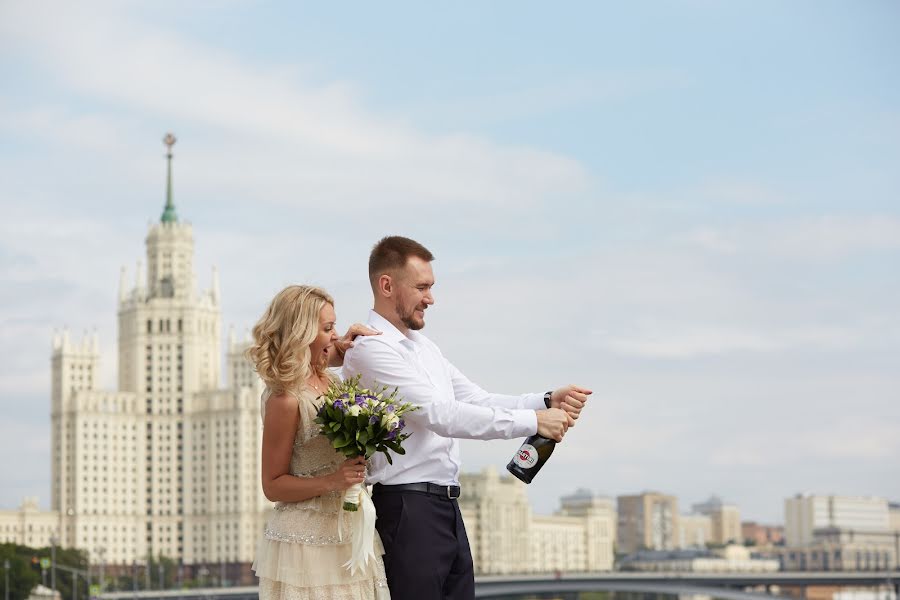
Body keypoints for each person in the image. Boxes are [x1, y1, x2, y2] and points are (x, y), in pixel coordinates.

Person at [342, 237, 592, 600]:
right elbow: (441, 415)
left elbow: (476, 398)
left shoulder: (425, 349)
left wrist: (545, 399)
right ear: (386, 285)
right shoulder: (371, 351)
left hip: (446, 507)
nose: (431, 298)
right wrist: (535, 422)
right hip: (407, 510)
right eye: (422, 287)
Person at [248, 284, 390, 600]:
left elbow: (332, 353)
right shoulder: (284, 398)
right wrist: (334, 480)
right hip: (304, 543)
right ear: (303, 334)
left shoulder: (333, 381)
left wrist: (346, 341)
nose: (335, 334)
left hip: (350, 529)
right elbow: (272, 485)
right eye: (328, 328)